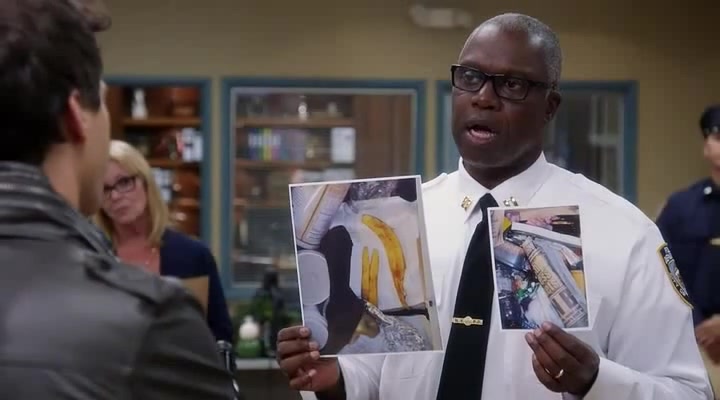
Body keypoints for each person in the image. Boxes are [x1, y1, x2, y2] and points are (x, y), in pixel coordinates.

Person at [276, 13, 713, 400]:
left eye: (512, 85)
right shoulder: (398, 219)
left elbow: (689, 392)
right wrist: (335, 380)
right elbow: (378, 375)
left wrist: (596, 382)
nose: (483, 97)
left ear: (550, 106)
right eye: (470, 77)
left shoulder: (623, 233)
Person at [0, 0, 236, 398]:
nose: (117, 195)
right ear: (76, 116)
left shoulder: (185, 261)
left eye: (126, 182)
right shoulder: (148, 319)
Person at [95, 139, 234, 343]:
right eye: (104, 189)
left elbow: (221, 339)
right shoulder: (94, 259)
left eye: (124, 182)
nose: (115, 196)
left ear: (146, 183)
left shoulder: (193, 255)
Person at [656, 105, 720, 389]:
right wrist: (696, 325)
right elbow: (663, 271)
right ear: (707, 145)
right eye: (718, 137)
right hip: (694, 346)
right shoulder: (681, 207)